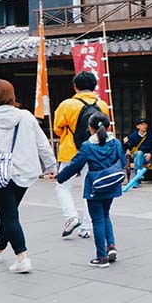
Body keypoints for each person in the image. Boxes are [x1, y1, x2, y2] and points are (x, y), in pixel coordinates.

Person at [0, 79, 57, 273]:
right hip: (25, 172)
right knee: (9, 212)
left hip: (0, 173)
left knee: (9, 215)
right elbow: (42, 143)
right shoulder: (26, 116)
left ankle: (23, 258)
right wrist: (51, 165)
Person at [57, 113, 124, 268]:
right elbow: (122, 160)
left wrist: (60, 178)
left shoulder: (88, 146)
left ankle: (101, 257)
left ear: (90, 128)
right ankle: (111, 246)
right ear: (108, 127)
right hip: (112, 184)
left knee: (98, 220)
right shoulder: (116, 142)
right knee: (106, 215)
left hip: (95, 186)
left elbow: (75, 165)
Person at [53, 71, 110, 239]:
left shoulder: (67, 104)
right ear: (94, 86)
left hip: (71, 151)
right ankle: (86, 227)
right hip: (95, 151)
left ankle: (71, 216)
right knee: (89, 189)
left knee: (62, 186)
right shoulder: (103, 104)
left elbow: (57, 128)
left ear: (75, 86)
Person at [123, 118, 152, 188]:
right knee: (139, 153)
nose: (144, 126)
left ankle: (136, 179)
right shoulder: (133, 136)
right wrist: (125, 143)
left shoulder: (151, 135)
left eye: (145, 124)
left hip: (148, 158)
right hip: (137, 157)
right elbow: (128, 148)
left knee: (139, 154)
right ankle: (138, 174)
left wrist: (151, 153)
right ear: (138, 126)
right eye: (142, 124)